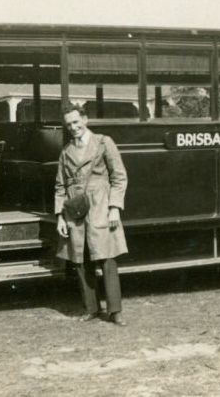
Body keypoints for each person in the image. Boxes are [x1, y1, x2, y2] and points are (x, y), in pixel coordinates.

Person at [55, 104, 129, 326]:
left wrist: (114, 207)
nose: (73, 127)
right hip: (75, 208)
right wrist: (60, 215)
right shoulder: (66, 152)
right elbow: (60, 186)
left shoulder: (104, 143)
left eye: (76, 122)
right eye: (69, 125)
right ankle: (92, 309)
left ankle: (115, 311)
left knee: (106, 256)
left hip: (100, 205)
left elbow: (119, 177)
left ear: (85, 120)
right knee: (80, 258)